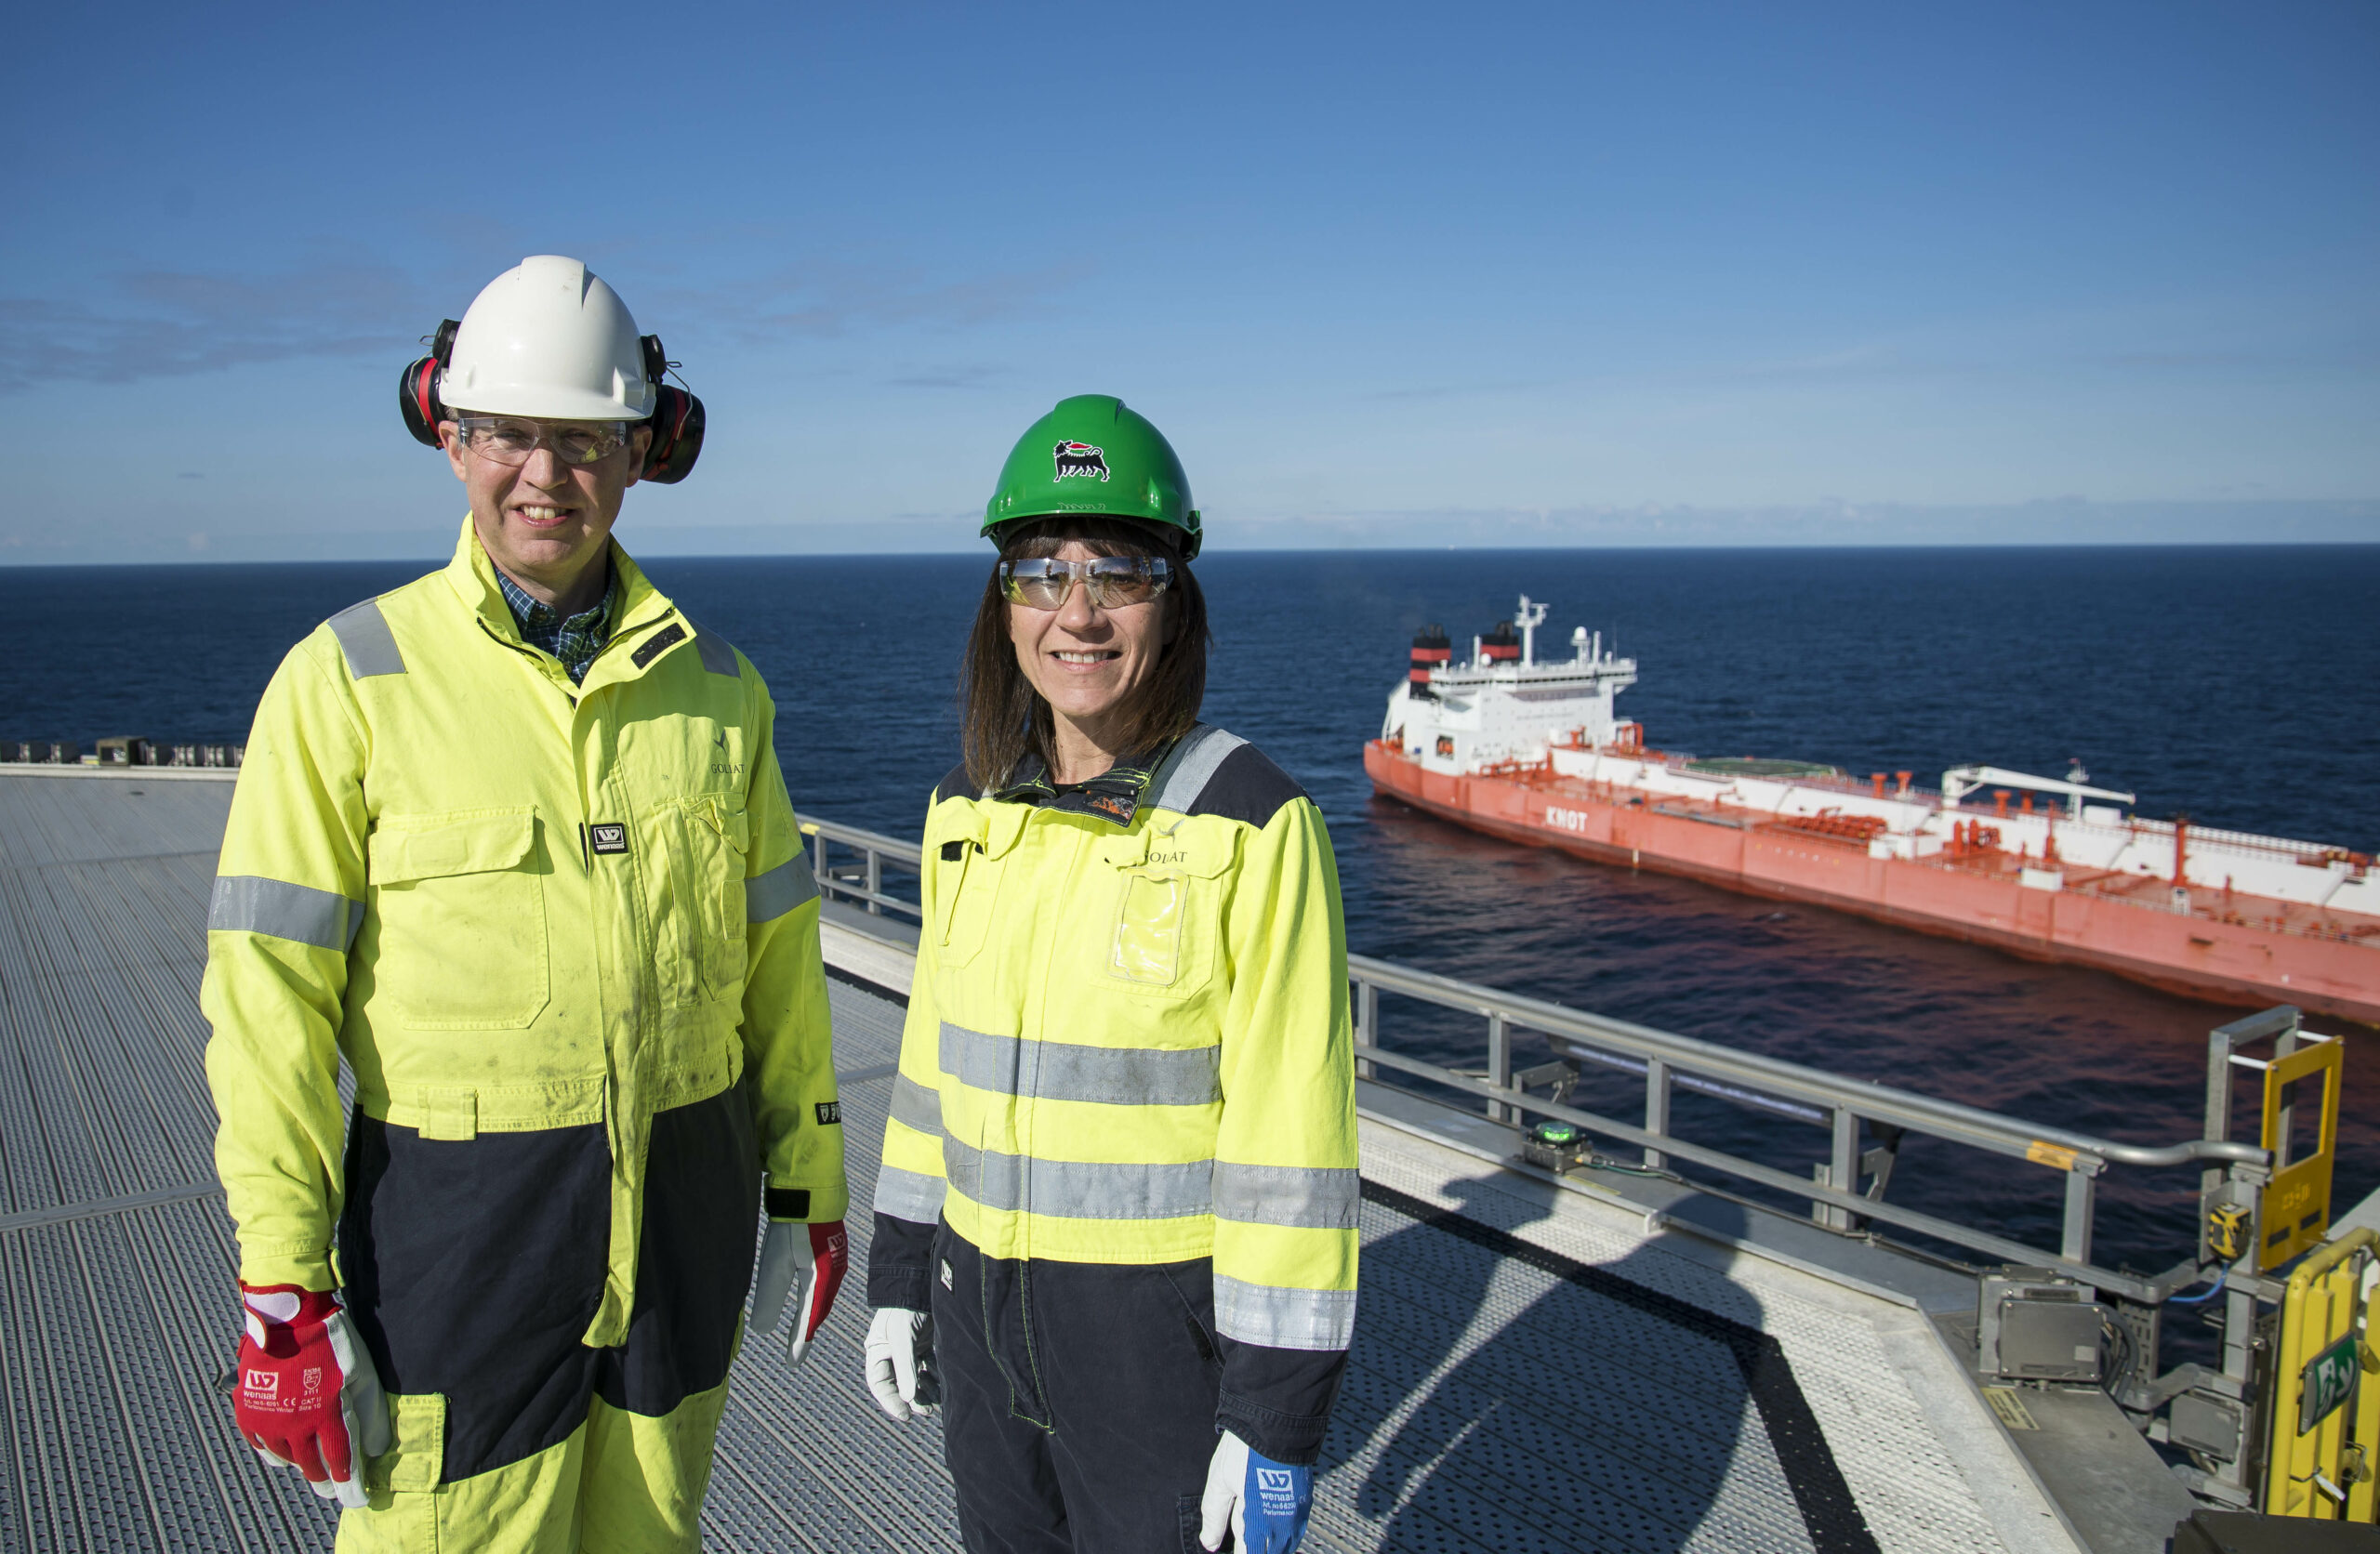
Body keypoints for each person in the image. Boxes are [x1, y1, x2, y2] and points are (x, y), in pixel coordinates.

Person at [203, 255, 848, 1550]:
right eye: (509, 434)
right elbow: (267, 1005)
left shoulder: (721, 691)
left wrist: (808, 1183)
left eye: (584, 439)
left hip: (683, 1239)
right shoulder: (347, 683)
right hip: (456, 1259)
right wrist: (283, 1282)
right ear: (448, 434)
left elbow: (778, 962)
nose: (544, 477)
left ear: (643, 451)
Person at [862, 395, 1358, 1553]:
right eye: (1039, 572)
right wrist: (899, 1272)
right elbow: (931, 1074)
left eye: (1117, 572)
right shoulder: (965, 815)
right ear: (1002, 602)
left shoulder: (1251, 823)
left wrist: (1275, 1409)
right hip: (978, 1319)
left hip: (1154, 1351)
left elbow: (1293, 1141)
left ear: (1172, 598)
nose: (1075, 612)